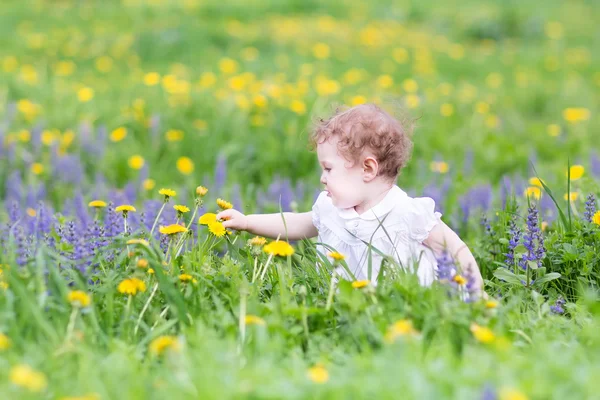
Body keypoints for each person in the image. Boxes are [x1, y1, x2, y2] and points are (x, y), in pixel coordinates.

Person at [217, 103, 484, 296]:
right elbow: (296, 224)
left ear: (367, 169)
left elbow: (455, 248)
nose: (322, 178)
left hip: (408, 304)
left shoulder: (407, 213)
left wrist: (477, 291)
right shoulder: (332, 209)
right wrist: (248, 222)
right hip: (348, 304)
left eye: (329, 168)